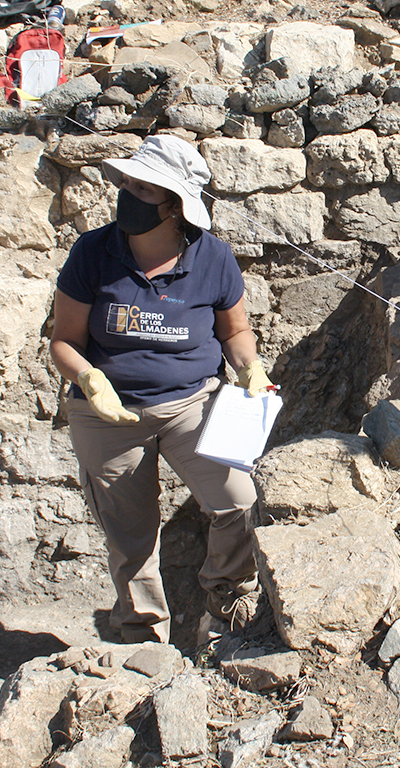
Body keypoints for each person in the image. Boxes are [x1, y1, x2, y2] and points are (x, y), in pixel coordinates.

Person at [49, 134, 274, 644]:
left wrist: (250, 367)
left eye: (143, 188)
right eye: (127, 181)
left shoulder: (212, 256)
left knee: (238, 501)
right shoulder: (93, 252)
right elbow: (64, 341)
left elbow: (234, 331)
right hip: (109, 418)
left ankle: (226, 604)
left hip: (191, 406)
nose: (126, 192)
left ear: (175, 206)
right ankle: (141, 638)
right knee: (131, 537)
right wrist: (89, 378)